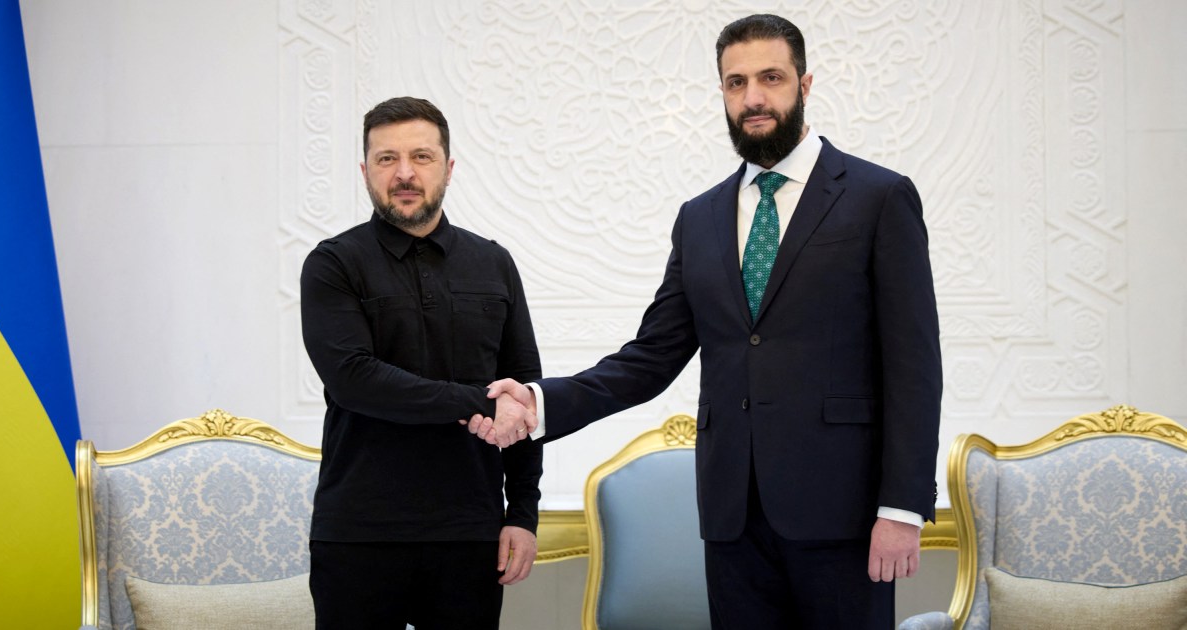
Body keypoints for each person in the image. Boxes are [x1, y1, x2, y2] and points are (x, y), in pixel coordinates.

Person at [466, 14, 942, 629]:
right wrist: (539, 402)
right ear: (722, 91)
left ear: (805, 84)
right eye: (736, 82)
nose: (754, 97)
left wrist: (902, 507)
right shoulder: (700, 217)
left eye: (771, 78)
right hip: (731, 518)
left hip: (844, 515)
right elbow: (651, 357)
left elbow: (914, 366)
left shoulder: (879, 197)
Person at [300, 96, 542, 630]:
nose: (404, 173)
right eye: (387, 158)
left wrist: (522, 514)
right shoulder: (333, 263)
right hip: (359, 534)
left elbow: (525, 394)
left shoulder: (494, 263)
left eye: (421, 157)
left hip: (471, 533)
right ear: (365, 171)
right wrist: (481, 401)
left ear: (448, 168)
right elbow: (355, 380)